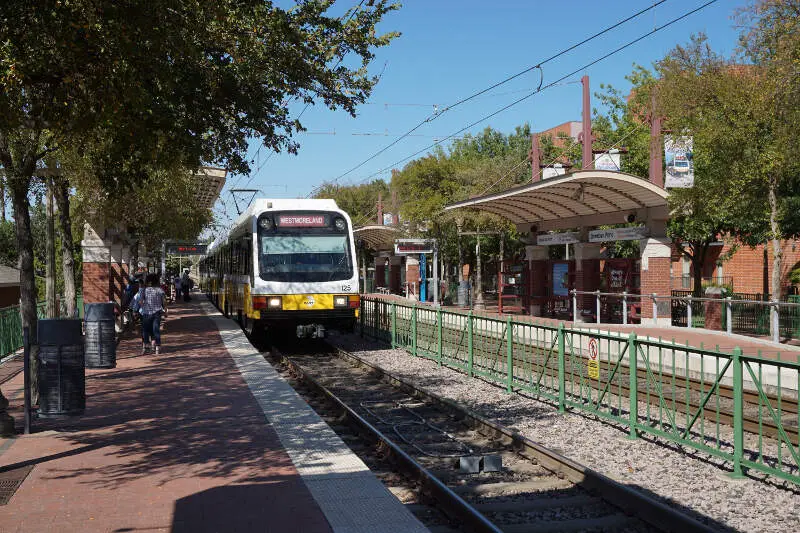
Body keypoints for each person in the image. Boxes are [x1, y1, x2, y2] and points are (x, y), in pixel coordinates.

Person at [138, 273, 167, 354]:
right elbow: (164, 302)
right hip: (157, 313)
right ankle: (157, 347)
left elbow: (140, 302)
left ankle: (146, 345)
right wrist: (165, 311)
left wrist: (143, 304)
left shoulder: (144, 290)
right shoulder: (160, 290)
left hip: (146, 313)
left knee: (145, 330)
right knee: (156, 329)